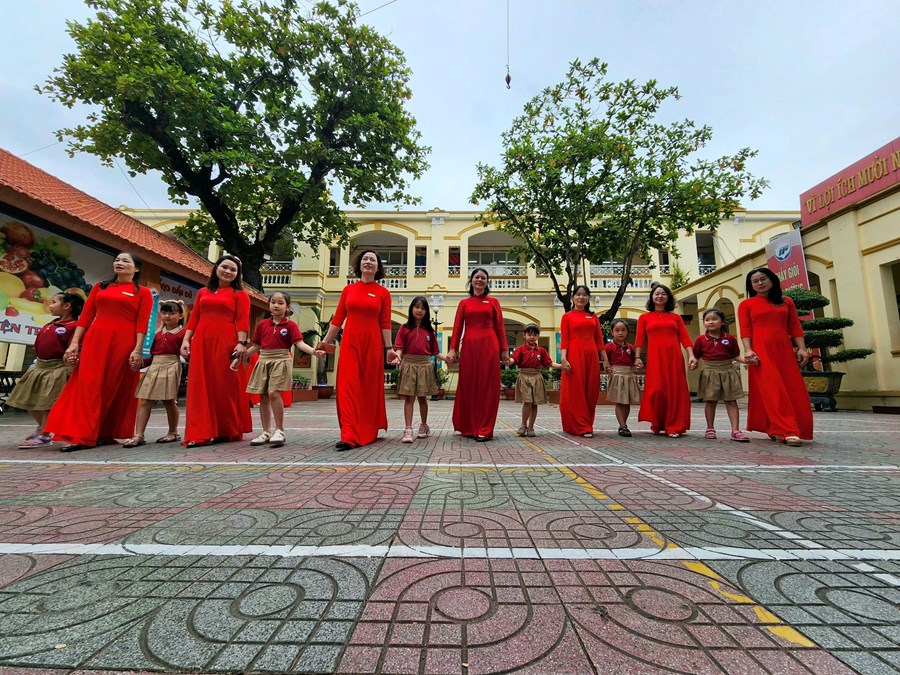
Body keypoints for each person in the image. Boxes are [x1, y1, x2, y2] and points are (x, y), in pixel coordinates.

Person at [46, 252, 153, 452]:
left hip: (124, 343)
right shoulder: (100, 287)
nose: (119, 263)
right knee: (88, 385)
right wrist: (74, 343)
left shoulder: (143, 292)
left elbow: (142, 323)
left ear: (136, 268)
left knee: (113, 386)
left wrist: (138, 350)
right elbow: (86, 316)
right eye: (117, 260)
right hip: (96, 340)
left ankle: (103, 432)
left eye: (125, 261)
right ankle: (82, 434)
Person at [315, 250, 398, 451]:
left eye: (373, 260)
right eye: (365, 259)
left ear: (378, 267)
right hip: (350, 344)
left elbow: (385, 323)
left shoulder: (383, 293)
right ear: (359, 265)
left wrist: (389, 348)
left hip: (372, 346)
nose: (368, 262)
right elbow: (338, 319)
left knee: (368, 388)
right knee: (346, 387)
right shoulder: (348, 290)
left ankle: (367, 430)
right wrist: (324, 343)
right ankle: (349, 434)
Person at [180, 254, 252, 447]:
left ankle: (225, 429)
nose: (228, 272)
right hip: (202, 343)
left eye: (233, 270)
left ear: (237, 274)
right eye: (224, 267)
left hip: (226, 342)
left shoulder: (240, 294)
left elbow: (242, 321)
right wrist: (186, 340)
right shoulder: (203, 292)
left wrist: (241, 343)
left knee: (223, 386)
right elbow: (194, 318)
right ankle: (200, 432)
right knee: (200, 386)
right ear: (216, 268)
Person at [738, 267, 813, 447]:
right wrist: (748, 350)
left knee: (792, 388)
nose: (760, 283)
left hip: (784, 350)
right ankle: (788, 431)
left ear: (772, 279)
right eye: (755, 281)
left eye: (763, 279)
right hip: (761, 350)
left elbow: (795, 327)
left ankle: (776, 428)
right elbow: (745, 329)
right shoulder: (746, 304)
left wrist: (802, 348)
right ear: (751, 286)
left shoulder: (786, 302)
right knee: (772, 389)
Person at [7, 292, 84, 449]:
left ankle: (44, 434)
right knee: (26, 400)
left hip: (58, 368)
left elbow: (76, 349)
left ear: (67, 306)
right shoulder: (50, 324)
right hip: (40, 366)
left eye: (54, 302)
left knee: (49, 404)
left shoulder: (74, 327)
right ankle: (42, 428)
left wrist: (72, 361)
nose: (50, 305)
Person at [245, 291, 317, 448]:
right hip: (264, 359)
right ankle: (266, 432)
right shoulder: (262, 325)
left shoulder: (291, 326)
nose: (276, 305)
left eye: (280, 303)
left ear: (287, 307)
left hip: (281, 359)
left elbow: (299, 343)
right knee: (263, 395)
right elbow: (256, 345)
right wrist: (242, 355)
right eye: (273, 302)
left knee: (273, 392)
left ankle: (279, 430)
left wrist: (314, 351)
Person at [445, 267, 507, 441]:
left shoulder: (493, 302)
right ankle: (467, 426)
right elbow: (457, 327)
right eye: (476, 277)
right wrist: (453, 349)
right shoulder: (464, 303)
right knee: (469, 384)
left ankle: (485, 428)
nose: (479, 280)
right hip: (470, 347)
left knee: (488, 386)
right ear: (471, 280)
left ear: (487, 282)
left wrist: (504, 350)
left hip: (489, 346)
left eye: (483, 278)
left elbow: (500, 327)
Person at [633, 282, 697, 438]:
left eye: (663, 294)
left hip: (674, 357)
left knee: (675, 391)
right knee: (657, 391)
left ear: (668, 297)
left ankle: (673, 426)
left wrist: (691, 355)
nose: (660, 296)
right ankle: (658, 422)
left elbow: (684, 337)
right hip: (655, 358)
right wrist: (637, 357)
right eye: (657, 294)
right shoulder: (644, 317)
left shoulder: (675, 317)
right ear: (652, 297)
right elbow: (639, 339)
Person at [125, 300, 187, 448]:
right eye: (164, 313)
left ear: (180, 316)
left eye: (172, 313)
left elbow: (188, 354)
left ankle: (173, 432)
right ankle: (139, 435)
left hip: (172, 366)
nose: (167, 316)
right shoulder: (157, 334)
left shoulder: (183, 333)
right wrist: (140, 364)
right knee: (145, 400)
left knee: (169, 400)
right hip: (154, 367)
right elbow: (153, 357)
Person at [690, 308, 750, 442]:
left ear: (722, 322)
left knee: (731, 401)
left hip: (728, 371)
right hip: (710, 372)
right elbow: (696, 356)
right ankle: (710, 428)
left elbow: (735, 355)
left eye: (714, 319)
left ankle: (735, 430)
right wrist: (693, 363)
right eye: (707, 320)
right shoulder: (701, 339)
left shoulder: (730, 338)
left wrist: (747, 361)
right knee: (711, 401)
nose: (710, 322)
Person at [394, 296, 445, 443]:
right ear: (411, 309)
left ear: (426, 312)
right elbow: (399, 347)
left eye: (423, 308)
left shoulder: (429, 331)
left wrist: (446, 358)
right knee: (409, 398)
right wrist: (398, 357)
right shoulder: (404, 328)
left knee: (423, 398)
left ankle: (423, 425)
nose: (419, 310)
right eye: (416, 307)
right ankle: (408, 429)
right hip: (409, 364)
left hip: (424, 365)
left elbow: (435, 352)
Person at [559, 285, 603, 438]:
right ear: (573, 298)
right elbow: (565, 340)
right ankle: (581, 426)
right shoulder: (567, 316)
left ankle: (587, 422)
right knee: (576, 391)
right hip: (574, 356)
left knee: (591, 391)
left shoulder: (593, 317)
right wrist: (563, 359)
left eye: (585, 295)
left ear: (588, 298)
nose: (581, 297)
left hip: (592, 356)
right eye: (578, 294)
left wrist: (605, 360)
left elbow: (599, 340)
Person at [507, 323, 562, 437]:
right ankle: (523, 425)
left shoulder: (541, 350)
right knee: (527, 401)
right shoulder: (520, 349)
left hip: (537, 376)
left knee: (534, 403)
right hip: (524, 376)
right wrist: (509, 361)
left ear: (538, 336)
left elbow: (549, 363)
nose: (532, 337)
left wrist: (562, 366)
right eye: (529, 334)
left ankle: (531, 427)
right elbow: (514, 359)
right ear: (524, 335)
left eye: (535, 335)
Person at [602, 319, 641, 437]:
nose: (620, 333)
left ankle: (624, 423)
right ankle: (622, 426)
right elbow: (605, 361)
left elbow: (634, 360)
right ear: (612, 332)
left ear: (627, 332)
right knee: (620, 401)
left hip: (628, 375)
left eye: (623, 330)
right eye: (617, 330)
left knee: (627, 401)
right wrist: (607, 367)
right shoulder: (608, 347)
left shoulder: (630, 347)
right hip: (617, 375)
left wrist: (638, 364)